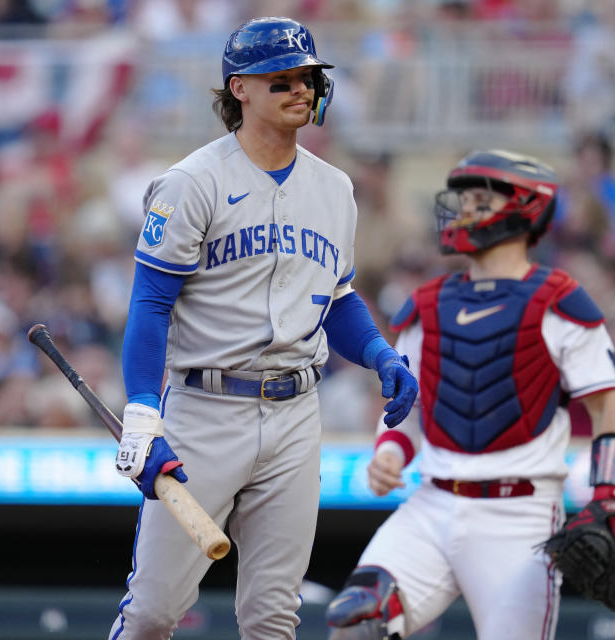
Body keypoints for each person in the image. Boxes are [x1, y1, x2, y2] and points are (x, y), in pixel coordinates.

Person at [109, 17, 418, 640]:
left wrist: (381, 353)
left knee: (274, 616)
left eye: (308, 76)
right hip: (205, 408)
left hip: (295, 411)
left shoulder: (336, 189)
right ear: (240, 88)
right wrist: (143, 416)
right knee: (152, 613)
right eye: (283, 77)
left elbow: (336, 298)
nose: (301, 88)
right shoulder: (192, 182)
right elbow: (149, 305)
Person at [325, 150, 615, 640]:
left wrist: (608, 493)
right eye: (463, 199)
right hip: (431, 503)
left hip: (521, 514)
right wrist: (389, 450)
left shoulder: (559, 299)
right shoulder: (426, 303)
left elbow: (609, 403)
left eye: (479, 200)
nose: (463, 210)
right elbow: (407, 407)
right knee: (357, 620)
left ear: (526, 208)